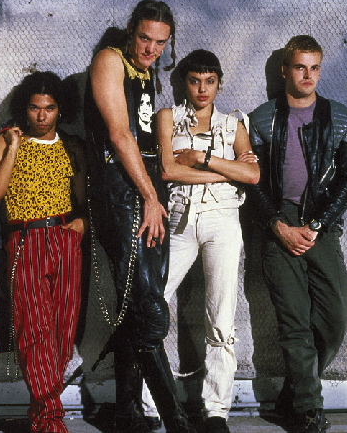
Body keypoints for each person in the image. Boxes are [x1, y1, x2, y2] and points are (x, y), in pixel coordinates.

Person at [84, 0, 194, 433]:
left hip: (148, 185)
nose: (151, 49)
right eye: (145, 38)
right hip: (121, 188)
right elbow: (118, 133)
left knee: (141, 304)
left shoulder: (148, 71)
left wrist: (158, 186)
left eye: (160, 43)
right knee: (148, 310)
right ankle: (177, 420)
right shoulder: (109, 60)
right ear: (130, 31)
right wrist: (149, 195)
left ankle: (127, 411)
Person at [141, 49, 260, 433]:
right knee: (152, 305)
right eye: (195, 80)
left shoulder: (232, 123)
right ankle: (150, 405)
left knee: (222, 314)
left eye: (210, 81)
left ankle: (215, 411)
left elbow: (253, 176)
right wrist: (229, 173)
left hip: (223, 221)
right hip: (178, 219)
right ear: (184, 83)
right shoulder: (167, 117)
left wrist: (203, 159)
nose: (202, 88)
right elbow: (167, 169)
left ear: (219, 83)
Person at [248, 35, 347, 433]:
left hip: (321, 225)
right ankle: (310, 409)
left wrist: (316, 224)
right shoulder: (262, 119)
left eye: (314, 67)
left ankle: (294, 393)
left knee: (334, 317)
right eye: (300, 67)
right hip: (277, 224)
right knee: (294, 321)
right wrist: (278, 225)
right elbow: (252, 184)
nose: (307, 75)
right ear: (285, 70)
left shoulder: (341, 117)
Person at [0, 71, 87, 433]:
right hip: (26, 240)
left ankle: (41, 413)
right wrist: (13, 147)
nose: (42, 116)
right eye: (34, 108)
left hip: (64, 240)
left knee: (61, 331)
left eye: (50, 108)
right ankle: (52, 419)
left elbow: (88, 198)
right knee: (33, 331)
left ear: (60, 109)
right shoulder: (6, 140)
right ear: (23, 109)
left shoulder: (71, 145)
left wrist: (82, 224)